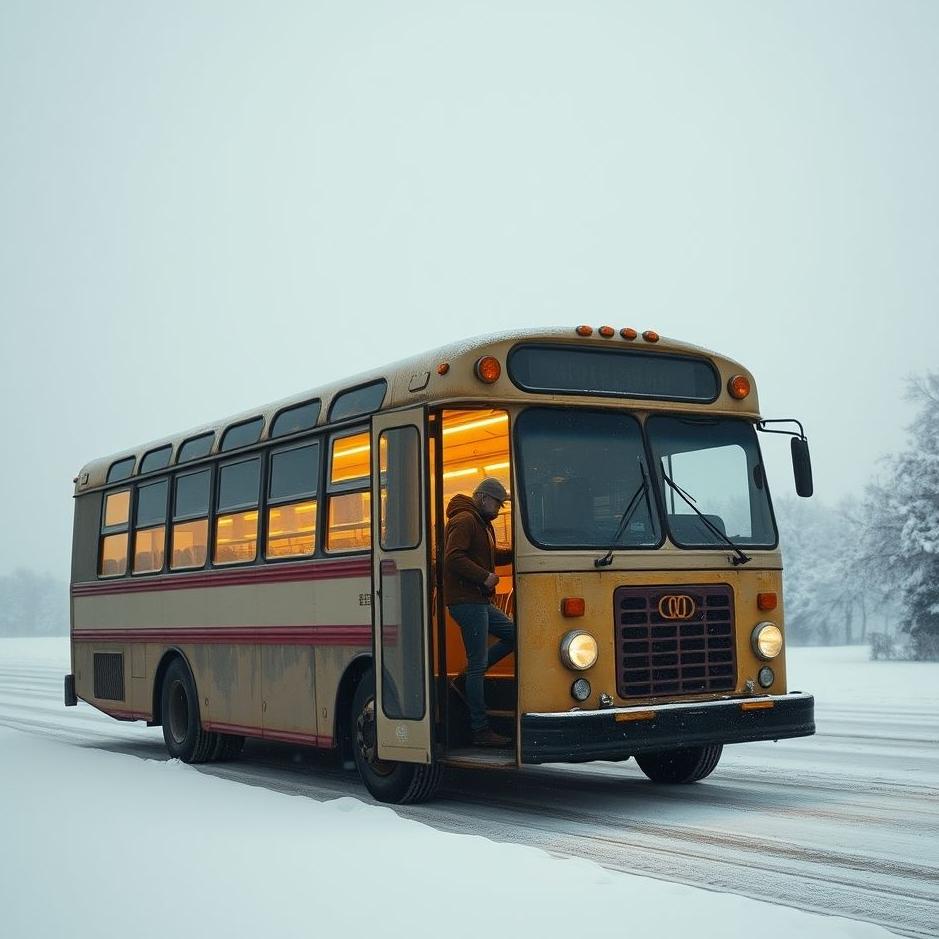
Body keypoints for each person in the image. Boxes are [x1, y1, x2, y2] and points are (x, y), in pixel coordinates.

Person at [444, 477, 516, 748]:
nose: (499, 510)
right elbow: (453, 557)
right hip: (467, 601)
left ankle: (464, 682)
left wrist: (512, 552)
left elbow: (486, 553)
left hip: (478, 600)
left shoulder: (481, 523)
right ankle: (480, 728)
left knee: (513, 635)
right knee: (478, 663)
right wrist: (484, 576)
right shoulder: (464, 520)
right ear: (484, 498)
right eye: (498, 503)